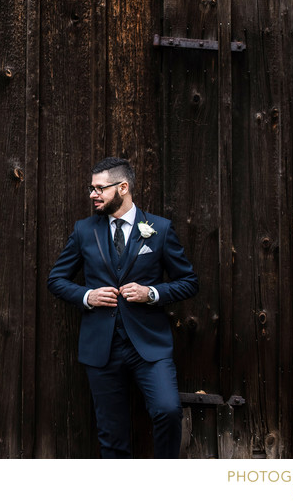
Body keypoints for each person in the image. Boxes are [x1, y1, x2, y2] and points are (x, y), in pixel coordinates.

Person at [47, 157, 198, 458]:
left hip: (149, 345)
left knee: (168, 411)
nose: (92, 195)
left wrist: (151, 292)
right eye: (91, 189)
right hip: (102, 347)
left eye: (99, 188)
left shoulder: (159, 229)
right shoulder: (84, 231)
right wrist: (87, 296)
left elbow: (189, 282)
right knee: (111, 433)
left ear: (123, 187)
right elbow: (56, 279)